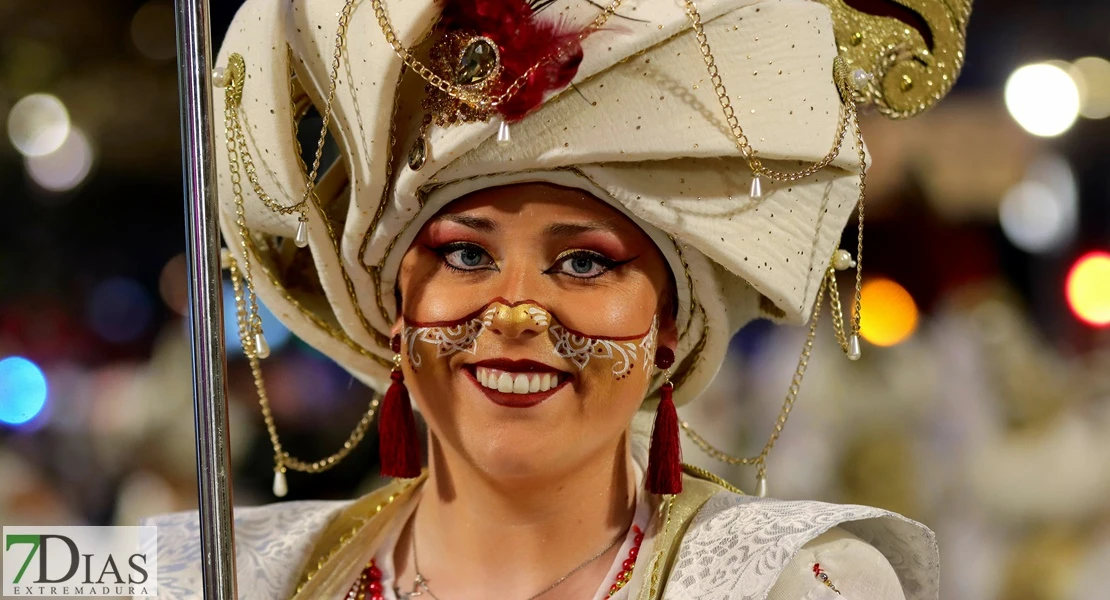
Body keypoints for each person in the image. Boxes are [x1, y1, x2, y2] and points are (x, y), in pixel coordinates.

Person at [148, 0, 970, 597]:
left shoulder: (785, 583)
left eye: (583, 264)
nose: (514, 313)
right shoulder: (243, 574)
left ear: (669, 326)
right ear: (394, 305)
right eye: (465, 253)